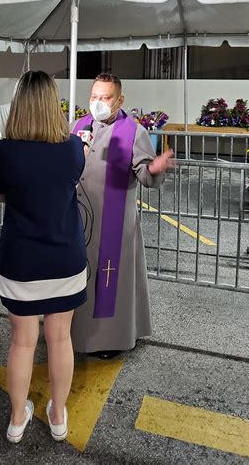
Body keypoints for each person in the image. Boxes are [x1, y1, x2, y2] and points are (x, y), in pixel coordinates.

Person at [0, 70, 87, 444]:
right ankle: (59, 416)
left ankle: (17, 420)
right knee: (60, 339)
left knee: (22, 343)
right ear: (53, 105)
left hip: (20, 262)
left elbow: (1, 196)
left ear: (19, 106)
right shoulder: (73, 148)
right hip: (65, 259)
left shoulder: (5, 150)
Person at [71, 73, 174, 359]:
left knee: (109, 279)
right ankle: (73, 331)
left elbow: (144, 172)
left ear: (120, 100)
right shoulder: (79, 125)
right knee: (80, 277)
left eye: (105, 98)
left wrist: (154, 169)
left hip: (113, 224)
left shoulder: (134, 131)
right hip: (78, 218)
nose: (98, 103)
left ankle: (109, 339)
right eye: (94, 97)